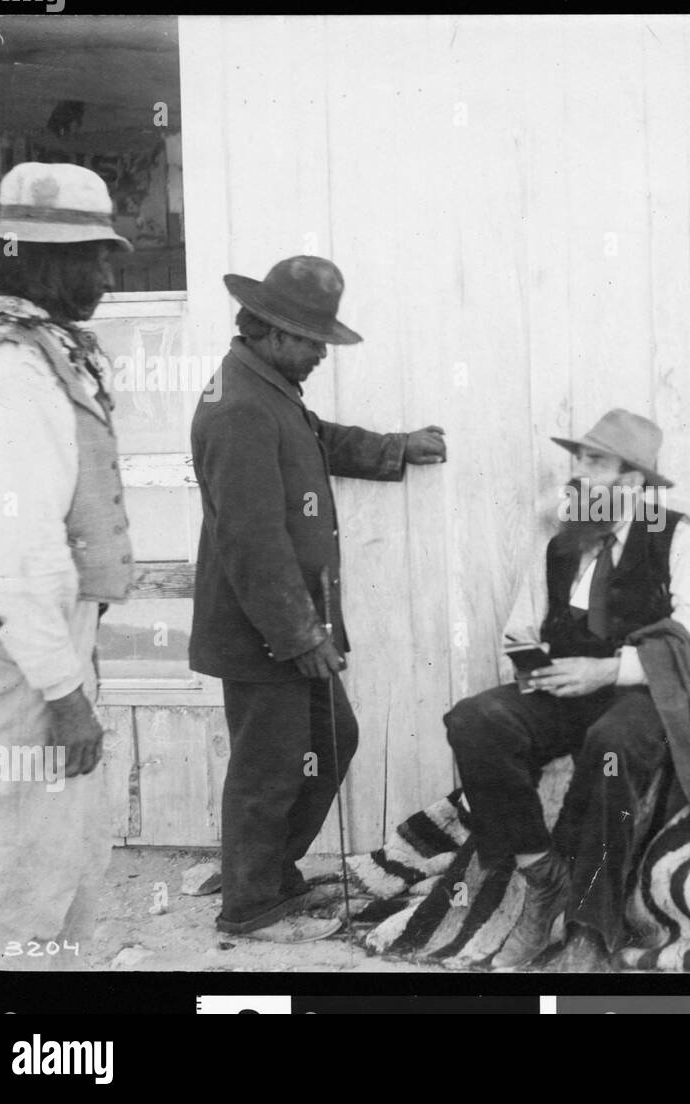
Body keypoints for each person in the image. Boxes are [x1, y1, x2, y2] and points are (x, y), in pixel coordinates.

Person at [444, 409, 690, 971]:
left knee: (612, 745)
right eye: (576, 458)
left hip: (640, 695)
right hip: (563, 689)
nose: (578, 472)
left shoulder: (677, 537)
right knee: (473, 720)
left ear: (632, 482)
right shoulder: (560, 544)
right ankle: (541, 873)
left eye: (594, 461)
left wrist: (608, 671)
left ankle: (590, 925)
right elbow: (519, 628)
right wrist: (534, 666)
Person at [189, 256, 447, 943]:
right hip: (265, 628)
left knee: (331, 743)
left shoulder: (264, 386)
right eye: (312, 342)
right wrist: (298, 635)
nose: (320, 356)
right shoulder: (239, 406)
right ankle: (248, 906)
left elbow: (316, 441)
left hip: (287, 622)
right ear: (272, 331)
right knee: (269, 767)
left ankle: (272, 876)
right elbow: (250, 540)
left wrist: (395, 449)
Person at [0, 162, 135, 969]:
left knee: (69, 849)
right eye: (93, 258)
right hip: (20, 652)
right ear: (36, 261)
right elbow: (13, 556)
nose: (108, 277)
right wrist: (65, 694)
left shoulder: (45, 351)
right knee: (26, 860)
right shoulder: (11, 369)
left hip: (46, 636)